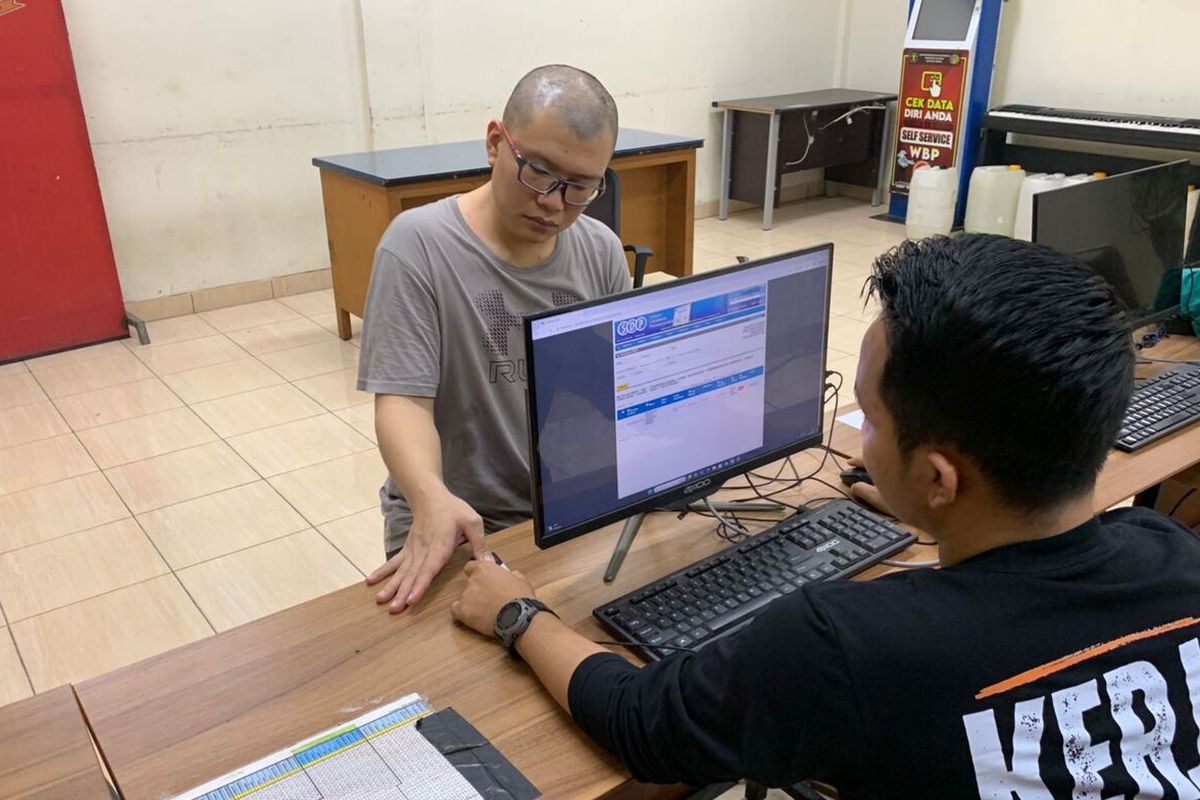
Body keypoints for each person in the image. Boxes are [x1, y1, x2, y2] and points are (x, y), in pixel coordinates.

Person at [451, 234, 1200, 798]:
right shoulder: (1168, 549)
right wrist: (935, 516)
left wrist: (520, 613)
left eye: (867, 421)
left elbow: (641, 724)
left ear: (942, 477)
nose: (860, 443)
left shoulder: (842, 649)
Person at [358, 65, 630, 613]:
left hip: (567, 509)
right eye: (540, 173)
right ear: (494, 144)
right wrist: (431, 496)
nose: (555, 203)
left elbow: (618, 383)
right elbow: (403, 401)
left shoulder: (599, 249)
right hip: (459, 521)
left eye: (581, 187)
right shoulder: (418, 247)